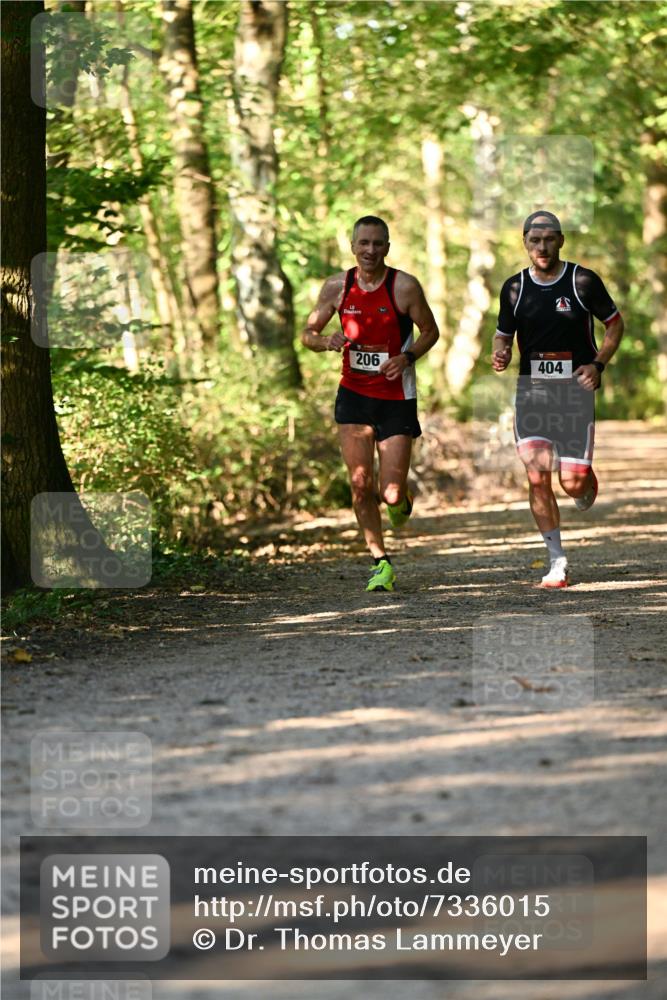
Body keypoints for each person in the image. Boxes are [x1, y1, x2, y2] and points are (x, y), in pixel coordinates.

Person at [302, 215, 439, 592]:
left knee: (390, 492)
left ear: (387, 247)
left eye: (378, 243)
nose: (370, 250)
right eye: (364, 243)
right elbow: (307, 334)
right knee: (361, 483)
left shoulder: (404, 287)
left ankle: (400, 502)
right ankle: (381, 562)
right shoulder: (337, 287)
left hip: (396, 398)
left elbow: (430, 331)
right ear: (352, 246)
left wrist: (407, 358)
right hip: (354, 396)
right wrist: (325, 341)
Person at [492, 210, 624, 588]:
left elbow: (614, 324)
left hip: (574, 393)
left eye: (549, 239)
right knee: (537, 476)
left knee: (572, 483)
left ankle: (585, 482)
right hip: (532, 392)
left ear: (561, 240)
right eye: (535, 240)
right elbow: (502, 334)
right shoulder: (514, 288)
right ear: (525, 243)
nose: (542, 247)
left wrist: (598, 364)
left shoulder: (582, 281)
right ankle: (557, 561)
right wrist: (500, 351)